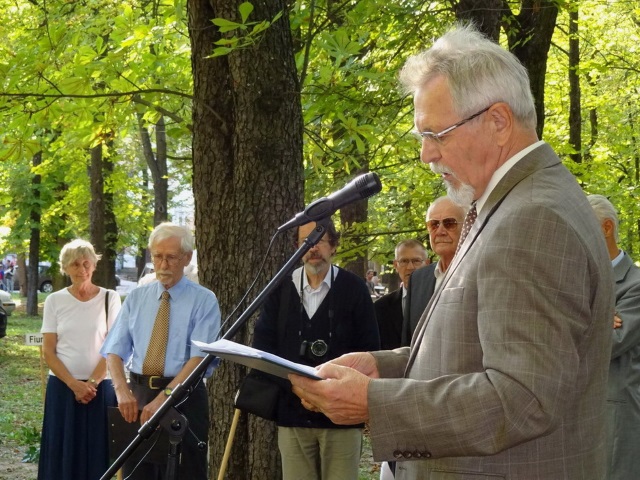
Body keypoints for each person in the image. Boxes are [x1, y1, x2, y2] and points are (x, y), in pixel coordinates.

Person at [290, 24, 614, 480]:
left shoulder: (532, 218)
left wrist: (374, 402)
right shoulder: (511, 203)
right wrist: (382, 367)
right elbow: (472, 351)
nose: (426, 154)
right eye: (421, 137)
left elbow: (523, 398)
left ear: (498, 121)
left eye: (437, 134)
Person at [252, 218, 379, 480]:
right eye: (305, 241)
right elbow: (263, 349)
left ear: (333, 245)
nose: (313, 248)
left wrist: (332, 393)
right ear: (296, 248)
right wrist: (300, 391)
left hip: (342, 416)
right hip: (292, 414)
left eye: (319, 240)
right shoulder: (280, 288)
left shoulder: (354, 288)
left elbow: (370, 350)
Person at [101, 222, 221, 480]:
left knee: (184, 474)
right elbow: (113, 350)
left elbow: (199, 359)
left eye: (171, 257)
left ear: (187, 258)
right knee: (137, 473)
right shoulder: (137, 297)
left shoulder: (204, 300)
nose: (163, 265)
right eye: (157, 256)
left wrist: (165, 398)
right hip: (139, 397)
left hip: (183, 397)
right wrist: (122, 391)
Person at [38, 239, 122, 480]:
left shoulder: (110, 298)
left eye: (87, 263)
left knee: (96, 453)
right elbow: (49, 351)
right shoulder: (55, 300)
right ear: (65, 267)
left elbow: (113, 347)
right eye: (75, 264)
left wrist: (91, 384)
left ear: (94, 265)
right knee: (61, 452)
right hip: (63, 388)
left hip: (100, 389)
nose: (82, 269)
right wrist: (74, 384)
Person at [587, 194, 640, 480]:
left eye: (583, 227)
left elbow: (610, 343)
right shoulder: (574, 281)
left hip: (614, 419)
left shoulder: (635, 285)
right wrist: (596, 318)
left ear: (607, 227)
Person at [402, 196, 466, 346]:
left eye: (449, 223)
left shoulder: (478, 274)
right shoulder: (418, 279)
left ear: (467, 227)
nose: (440, 231)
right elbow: (408, 344)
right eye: (434, 224)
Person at [374, 239, 427, 350]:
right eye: (404, 261)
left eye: (416, 261)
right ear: (395, 265)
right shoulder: (380, 307)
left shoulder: (438, 301)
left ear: (427, 263)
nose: (410, 267)